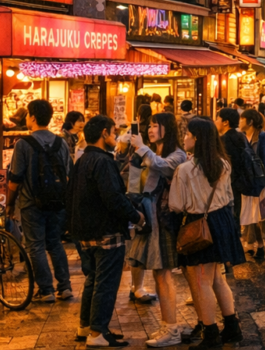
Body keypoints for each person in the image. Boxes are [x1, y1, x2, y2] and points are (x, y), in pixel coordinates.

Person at [67, 115, 145, 347]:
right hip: (105, 230)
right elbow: (113, 198)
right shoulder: (104, 162)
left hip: (84, 231)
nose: (115, 137)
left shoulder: (82, 160)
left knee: (93, 279)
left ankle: (86, 326)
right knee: (106, 282)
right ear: (103, 133)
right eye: (112, 132)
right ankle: (97, 333)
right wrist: (136, 217)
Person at [170, 119, 245, 350]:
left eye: (188, 134)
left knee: (202, 281)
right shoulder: (223, 163)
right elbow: (230, 195)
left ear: (197, 139)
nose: (185, 138)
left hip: (200, 225)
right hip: (222, 220)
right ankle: (232, 327)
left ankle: (211, 335)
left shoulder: (185, 169)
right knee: (217, 278)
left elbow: (176, 204)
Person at [125, 113, 187, 348]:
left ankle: (171, 328)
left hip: (164, 221)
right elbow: (133, 179)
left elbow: (162, 167)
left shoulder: (177, 154)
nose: (150, 130)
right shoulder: (148, 152)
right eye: (148, 126)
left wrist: (142, 149)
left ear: (166, 129)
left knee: (163, 273)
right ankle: (169, 325)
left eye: (154, 126)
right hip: (147, 218)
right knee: (158, 273)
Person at [7, 98, 72, 304]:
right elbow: (69, 174)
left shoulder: (23, 144)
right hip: (57, 202)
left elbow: (15, 178)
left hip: (31, 203)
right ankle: (65, 287)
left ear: (33, 117)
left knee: (35, 245)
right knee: (55, 243)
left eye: (27, 114)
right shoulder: (61, 142)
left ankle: (46, 290)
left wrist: (10, 204)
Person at [240, 109, 265, 261]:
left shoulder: (262, 136)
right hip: (244, 179)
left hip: (258, 178)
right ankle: (249, 243)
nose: (240, 122)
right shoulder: (240, 136)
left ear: (250, 122)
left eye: (242, 119)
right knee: (248, 213)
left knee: (259, 215)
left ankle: (260, 244)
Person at [213, 108, 251, 224]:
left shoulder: (223, 140)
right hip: (240, 181)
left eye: (218, 118)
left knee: (229, 214)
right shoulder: (241, 137)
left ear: (226, 122)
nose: (215, 121)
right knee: (236, 212)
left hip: (227, 182)